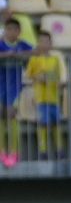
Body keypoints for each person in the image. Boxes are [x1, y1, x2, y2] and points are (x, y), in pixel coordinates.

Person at [26, 31, 65, 159]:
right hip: (40, 97)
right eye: (41, 41)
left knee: (56, 123)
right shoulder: (34, 58)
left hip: (53, 97)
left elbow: (57, 76)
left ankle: (59, 150)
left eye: (47, 41)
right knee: (42, 123)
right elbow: (28, 75)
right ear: (38, 43)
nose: (44, 44)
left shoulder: (55, 59)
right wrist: (38, 77)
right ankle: (43, 150)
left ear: (51, 44)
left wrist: (51, 79)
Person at [0, 18, 32, 167]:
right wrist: (6, 55)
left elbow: (34, 52)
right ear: (5, 30)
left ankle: (14, 151)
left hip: (15, 88)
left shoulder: (22, 45)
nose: (12, 32)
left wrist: (19, 55)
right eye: (9, 29)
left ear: (19, 32)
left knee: (12, 115)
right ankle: (2, 151)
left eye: (15, 29)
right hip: (1, 86)